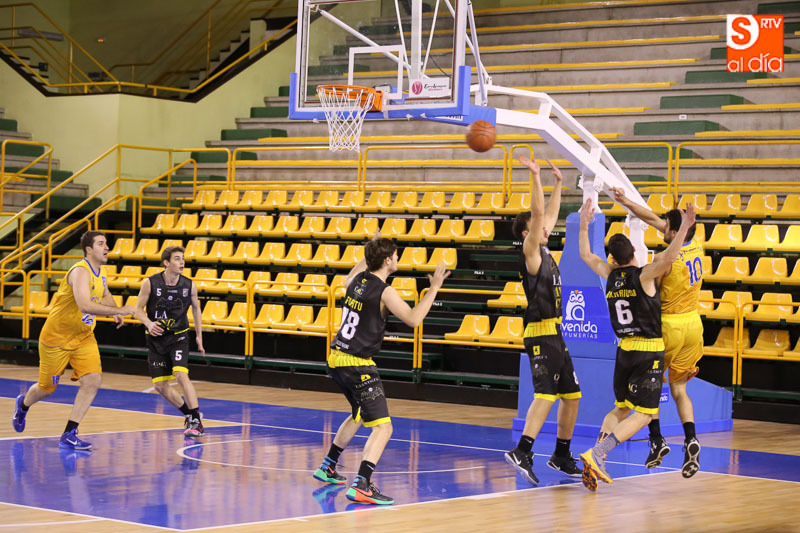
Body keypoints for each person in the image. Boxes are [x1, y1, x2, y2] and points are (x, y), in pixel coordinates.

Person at [312, 236, 450, 505]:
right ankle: (362, 484)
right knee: (384, 428)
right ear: (387, 260)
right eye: (395, 255)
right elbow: (413, 319)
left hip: (336, 359)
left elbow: (349, 277)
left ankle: (328, 466)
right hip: (357, 364)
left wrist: (371, 250)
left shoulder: (356, 280)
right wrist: (434, 288)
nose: (397, 258)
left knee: (359, 415)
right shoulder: (385, 291)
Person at [577, 199, 695, 490]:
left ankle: (596, 457)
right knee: (644, 414)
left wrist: (583, 224)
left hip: (624, 350)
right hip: (648, 350)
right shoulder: (644, 275)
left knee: (619, 409)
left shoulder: (608, 274)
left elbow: (585, 254)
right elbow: (671, 257)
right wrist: (685, 228)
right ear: (633, 251)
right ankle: (598, 453)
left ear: (613, 258)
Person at [609, 187, 704, 477]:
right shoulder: (697, 245)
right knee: (679, 390)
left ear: (674, 231)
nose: (661, 227)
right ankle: (691, 439)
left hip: (669, 327)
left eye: (666, 227)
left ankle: (656, 439)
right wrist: (625, 201)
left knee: (649, 389)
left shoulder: (665, 259)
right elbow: (653, 220)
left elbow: (649, 289)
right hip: (693, 325)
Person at [11, 230, 136, 449]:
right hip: (56, 338)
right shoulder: (80, 271)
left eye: (106, 243)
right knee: (47, 389)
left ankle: (69, 433)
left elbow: (104, 293)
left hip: (83, 337)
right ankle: (23, 404)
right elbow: (85, 305)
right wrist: (121, 310)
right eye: (101, 244)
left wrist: (114, 310)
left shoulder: (101, 271)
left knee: (93, 380)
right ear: (89, 249)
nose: (107, 247)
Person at [504, 156, 582, 485]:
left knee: (572, 395)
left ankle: (561, 455)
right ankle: (522, 451)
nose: (548, 227)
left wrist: (559, 183)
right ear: (528, 234)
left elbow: (548, 215)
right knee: (546, 395)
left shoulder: (545, 249)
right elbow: (539, 215)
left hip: (555, 333)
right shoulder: (531, 252)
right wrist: (535, 176)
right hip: (540, 332)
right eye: (539, 228)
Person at [133, 246, 206, 438]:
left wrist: (199, 335)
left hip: (179, 337)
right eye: (177, 258)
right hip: (156, 339)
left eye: (183, 258)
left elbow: (196, 309)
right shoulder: (150, 283)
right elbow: (138, 309)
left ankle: (196, 421)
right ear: (166, 262)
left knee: (181, 375)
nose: (182, 262)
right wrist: (149, 323)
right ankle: (190, 415)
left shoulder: (189, 285)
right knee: (160, 386)